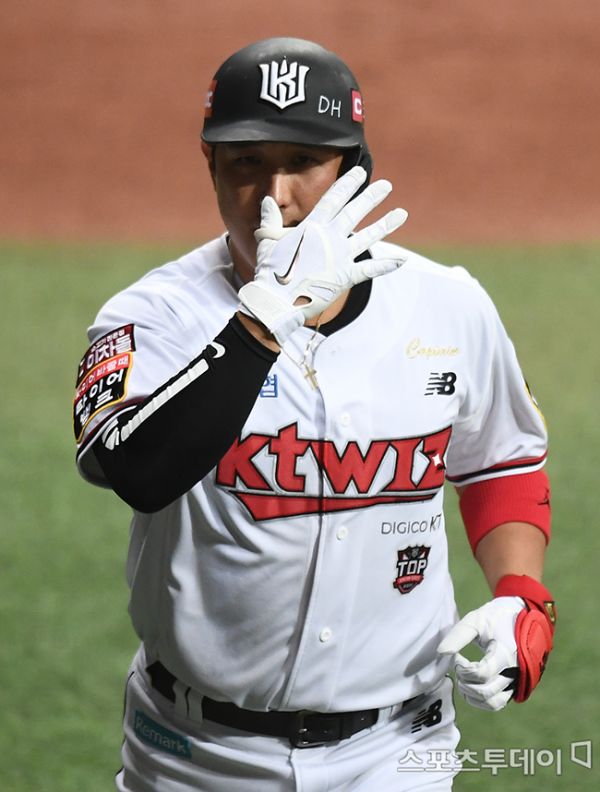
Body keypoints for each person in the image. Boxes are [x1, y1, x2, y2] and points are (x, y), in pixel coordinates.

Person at [73, 37, 556, 792]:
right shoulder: (153, 317)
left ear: (351, 169)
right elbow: (136, 469)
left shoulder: (450, 305)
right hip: (196, 757)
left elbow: (502, 461)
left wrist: (521, 593)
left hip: (400, 751)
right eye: (246, 163)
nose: (276, 197)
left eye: (303, 161)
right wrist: (264, 321)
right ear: (209, 164)